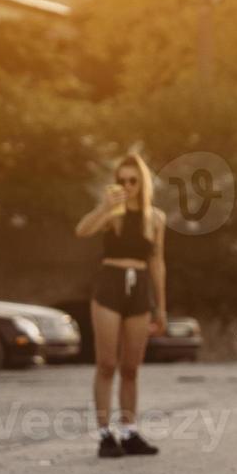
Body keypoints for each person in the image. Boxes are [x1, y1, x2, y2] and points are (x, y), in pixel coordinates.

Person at [74, 154, 166, 458]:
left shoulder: (155, 218)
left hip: (139, 287)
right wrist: (104, 207)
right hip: (109, 284)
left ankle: (129, 431)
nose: (127, 186)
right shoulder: (113, 213)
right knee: (106, 364)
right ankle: (104, 434)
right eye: (121, 180)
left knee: (131, 367)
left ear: (142, 183)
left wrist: (160, 307)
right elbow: (82, 231)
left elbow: (157, 263)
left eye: (132, 180)